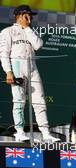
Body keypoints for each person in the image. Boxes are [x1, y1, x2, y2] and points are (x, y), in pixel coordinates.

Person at [0, 5, 60, 142]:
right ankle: (20, 131)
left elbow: (38, 45)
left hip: (32, 68)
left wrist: (27, 28)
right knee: (19, 100)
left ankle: (45, 133)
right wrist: (8, 72)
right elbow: (3, 54)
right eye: (27, 15)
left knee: (40, 100)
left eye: (31, 16)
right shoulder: (7, 32)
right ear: (19, 16)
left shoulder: (30, 31)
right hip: (16, 67)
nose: (30, 18)